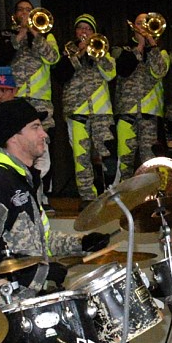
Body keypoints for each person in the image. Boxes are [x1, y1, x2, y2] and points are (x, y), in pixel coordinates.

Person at [0, 99, 109, 297]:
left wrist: (81, 244)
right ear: (13, 137)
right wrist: (38, 274)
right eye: (35, 128)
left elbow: (37, 241)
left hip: (23, 299)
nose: (44, 134)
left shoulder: (24, 179)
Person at [0, 0, 60, 206]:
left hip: (41, 103)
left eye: (29, 10)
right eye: (21, 10)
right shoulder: (6, 35)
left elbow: (53, 59)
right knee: (16, 147)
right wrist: (19, 35)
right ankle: (17, 192)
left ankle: (42, 197)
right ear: (15, 15)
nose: (26, 14)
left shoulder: (47, 36)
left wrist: (35, 34)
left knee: (42, 150)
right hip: (15, 101)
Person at [56, 14, 117, 204]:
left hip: (101, 112)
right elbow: (60, 75)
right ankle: (87, 199)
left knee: (107, 155)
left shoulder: (103, 51)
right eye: (81, 28)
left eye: (88, 29)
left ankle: (111, 196)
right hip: (76, 112)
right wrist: (79, 54)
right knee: (81, 157)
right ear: (76, 32)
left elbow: (110, 74)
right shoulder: (67, 52)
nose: (84, 32)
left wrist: (98, 55)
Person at [113, 12, 169, 180]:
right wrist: (139, 47)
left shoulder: (160, 51)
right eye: (139, 23)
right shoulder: (121, 49)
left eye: (147, 23)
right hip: (126, 111)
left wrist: (151, 44)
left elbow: (160, 71)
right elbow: (123, 69)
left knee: (149, 161)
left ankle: (149, 194)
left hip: (149, 114)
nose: (143, 26)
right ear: (133, 27)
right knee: (125, 160)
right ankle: (124, 193)